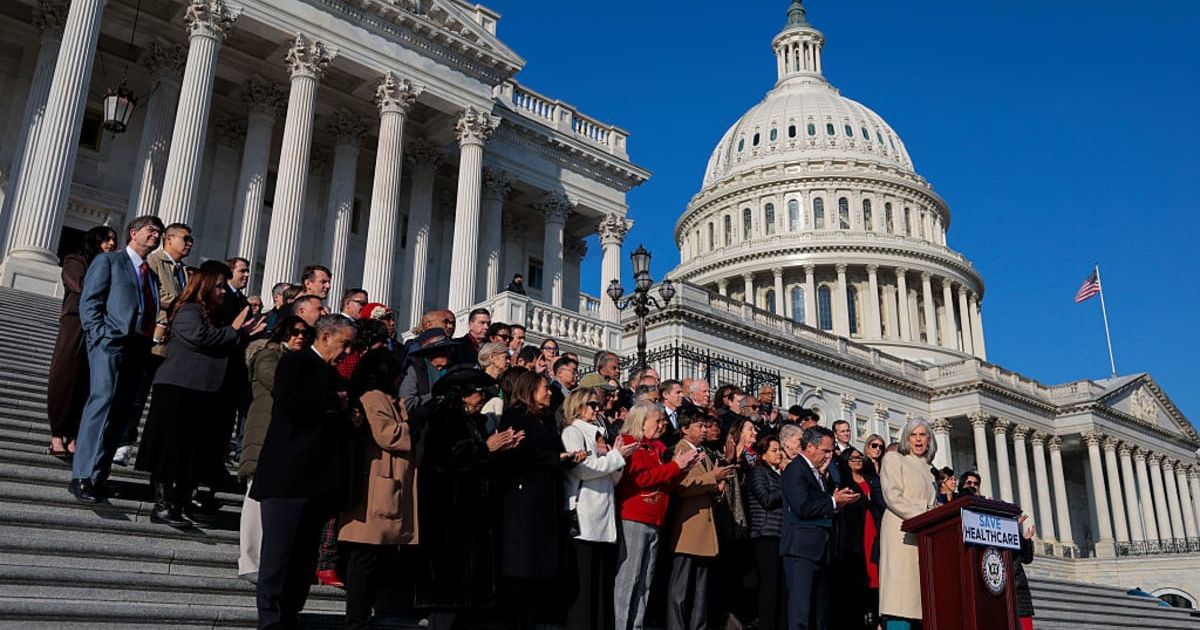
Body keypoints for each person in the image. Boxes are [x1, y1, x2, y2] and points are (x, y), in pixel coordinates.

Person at [135, 268, 265, 526]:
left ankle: (180, 501)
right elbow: (201, 338)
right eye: (218, 286)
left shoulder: (212, 315)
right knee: (168, 449)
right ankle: (162, 504)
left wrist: (240, 334)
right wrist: (236, 329)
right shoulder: (188, 311)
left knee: (189, 450)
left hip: (202, 390)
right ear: (204, 287)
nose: (222, 291)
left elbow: (221, 341)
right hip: (177, 387)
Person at [251, 315, 356, 629]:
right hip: (287, 480)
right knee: (279, 558)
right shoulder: (295, 362)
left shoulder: (334, 374)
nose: (348, 351)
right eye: (344, 343)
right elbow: (291, 405)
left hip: (317, 484)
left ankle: (290, 615)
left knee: (303, 560)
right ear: (325, 337)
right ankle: (270, 622)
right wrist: (332, 403)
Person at [415, 365, 518, 630]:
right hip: (450, 514)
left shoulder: (475, 421)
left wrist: (500, 449)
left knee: (467, 597)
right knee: (448, 593)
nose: (481, 396)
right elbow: (443, 461)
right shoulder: (442, 418)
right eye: (475, 392)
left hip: (472, 515)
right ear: (461, 394)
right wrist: (485, 448)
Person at [70, 215, 164, 503]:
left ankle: (99, 475)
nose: (156, 236)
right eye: (151, 230)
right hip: (109, 343)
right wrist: (98, 335)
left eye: (159, 233)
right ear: (133, 232)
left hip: (138, 347)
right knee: (101, 401)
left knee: (122, 412)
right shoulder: (110, 261)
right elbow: (91, 301)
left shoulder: (151, 275)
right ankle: (82, 475)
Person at [493, 371, 587, 629]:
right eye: (545, 388)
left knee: (541, 570)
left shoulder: (545, 420)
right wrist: (557, 459)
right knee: (522, 569)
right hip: (523, 503)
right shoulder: (514, 417)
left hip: (546, 501)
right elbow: (515, 456)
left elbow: (554, 454)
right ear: (529, 391)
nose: (549, 392)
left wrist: (569, 459)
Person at [338, 348, 418, 629]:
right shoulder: (373, 397)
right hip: (376, 487)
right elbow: (388, 434)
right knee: (364, 558)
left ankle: (365, 614)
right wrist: (415, 427)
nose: (400, 379)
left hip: (390, 486)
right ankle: (356, 619)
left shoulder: (391, 399)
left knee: (375, 559)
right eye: (397, 374)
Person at [238, 315, 312, 583]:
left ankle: (269, 560)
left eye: (305, 332)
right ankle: (249, 560)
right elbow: (278, 383)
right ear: (282, 332)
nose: (300, 336)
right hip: (262, 434)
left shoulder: (300, 361)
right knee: (254, 499)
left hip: (282, 439)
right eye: (294, 331)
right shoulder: (268, 355)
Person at [613, 403, 698, 630]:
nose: (662, 425)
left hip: (654, 517)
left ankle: (637, 624)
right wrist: (674, 466)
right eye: (658, 420)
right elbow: (641, 479)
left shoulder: (656, 448)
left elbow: (664, 483)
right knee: (629, 578)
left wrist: (682, 469)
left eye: (663, 421)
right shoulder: (632, 443)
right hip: (635, 515)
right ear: (642, 420)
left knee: (645, 581)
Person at [561, 389, 636, 630]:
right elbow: (583, 468)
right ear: (577, 406)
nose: (596, 408)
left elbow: (609, 478)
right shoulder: (572, 432)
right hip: (585, 514)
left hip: (604, 515)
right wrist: (615, 457)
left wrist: (617, 460)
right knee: (584, 584)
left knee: (601, 584)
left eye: (596, 404)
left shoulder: (598, 433)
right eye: (591, 404)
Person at [47, 225, 117, 459]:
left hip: (101, 323)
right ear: (94, 240)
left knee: (88, 381)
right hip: (75, 322)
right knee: (64, 376)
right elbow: (80, 286)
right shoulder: (75, 260)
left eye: (114, 240)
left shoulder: (112, 266)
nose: (111, 244)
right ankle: (57, 436)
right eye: (106, 239)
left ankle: (75, 437)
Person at [780, 426, 860, 630]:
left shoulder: (816, 473)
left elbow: (819, 505)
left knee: (819, 611)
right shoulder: (795, 469)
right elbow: (802, 506)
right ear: (809, 447)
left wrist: (837, 502)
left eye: (831, 450)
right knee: (801, 611)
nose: (829, 455)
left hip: (820, 549)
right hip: (801, 550)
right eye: (825, 450)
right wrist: (833, 501)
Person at [667, 408, 736, 630]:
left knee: (700, 589)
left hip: (704, 529)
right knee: (681, 588)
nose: (705, 430)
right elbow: (682, 487)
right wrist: (712, 478)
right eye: (700, 426)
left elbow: (705, 486)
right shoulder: (680, 450)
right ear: (685, 429)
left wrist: (718, 486)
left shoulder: (702, 453)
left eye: (706, 426)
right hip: (687, 527)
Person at [879, 418, 938, 630]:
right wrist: (926, 514)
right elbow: (892, 496)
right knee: (900, 598)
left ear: (929, 439)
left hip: (923, 534)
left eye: (923, 434)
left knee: (918, 600)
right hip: (900, 533)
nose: (918, 439)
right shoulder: (894, 459)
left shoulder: (929, 469)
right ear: (906, 438)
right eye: (914, 435)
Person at [831, 447, 885, 630]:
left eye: (859, 457)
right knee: (860, 572)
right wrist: (865, 500)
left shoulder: (870, 479)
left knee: (876, 570)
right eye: (853, 458)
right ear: (846, 461)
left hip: (873, 526)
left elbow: (878, 501)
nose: (857, 460)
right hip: (855, 531)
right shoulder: (844, 481)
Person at [746, 434, 786, 630]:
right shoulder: (758, 473)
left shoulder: (778, 474)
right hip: (765, 534)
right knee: (769, 587)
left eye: (780, 450)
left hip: (779, 535)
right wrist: (787, 486)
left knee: (779, 587)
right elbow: (766, 499)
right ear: (762, 454)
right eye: (774, 450)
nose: (779, 454)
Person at [399, 328, 460, 412]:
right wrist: (437, 395)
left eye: (448, 349)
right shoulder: (415, 370)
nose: (447, 353)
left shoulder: (455, 370)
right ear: (430, 353)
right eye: (442, 350)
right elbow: (407, 404)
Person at [659, 379, 686, 449]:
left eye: (682, 392)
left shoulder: (683, 413)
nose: (682, 395)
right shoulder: (658, 414)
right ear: (665, 395)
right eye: (678, 392)